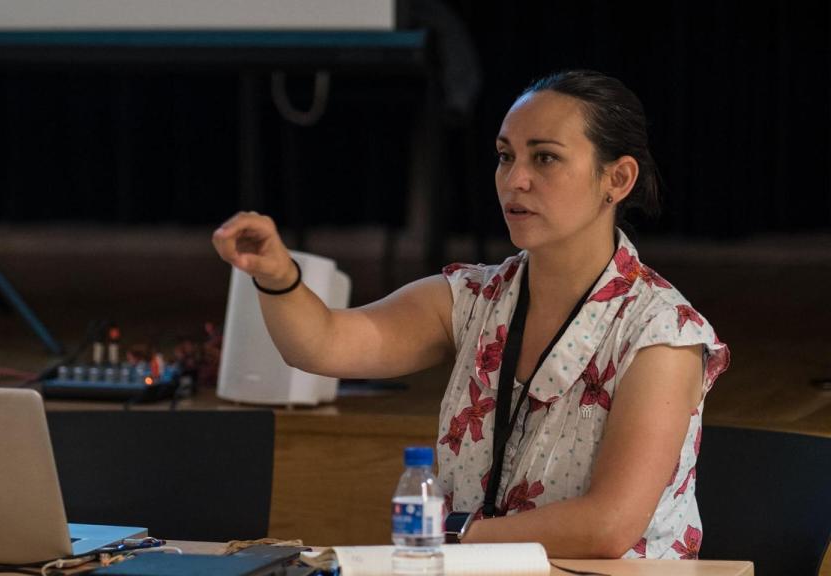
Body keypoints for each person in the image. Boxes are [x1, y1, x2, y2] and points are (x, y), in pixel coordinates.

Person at [211, 69, 729, 560]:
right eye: (505, 157)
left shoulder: (662, 332)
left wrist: (454, 537)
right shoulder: (475, 296)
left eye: (545, 159)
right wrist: (278, 278)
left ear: (617, 178)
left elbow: (608, 526)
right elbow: (322, 345)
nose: (514, 180)